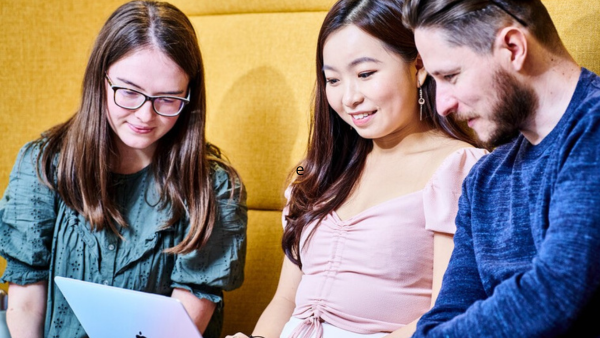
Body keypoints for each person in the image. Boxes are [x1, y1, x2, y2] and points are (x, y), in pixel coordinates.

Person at [226, 1, 488, 337]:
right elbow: (286, 300)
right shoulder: (318, 173)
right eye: (332, 80)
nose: (349, 97)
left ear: (419, 66)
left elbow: (447, 315)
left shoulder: (458, 168)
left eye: (365, 74)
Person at [0, 1, 247, 338]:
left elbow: (180, 327)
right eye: (128, 92)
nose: (145, 116)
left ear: (190, 95)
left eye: (168, 99)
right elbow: (26, 301)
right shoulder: (43, 165)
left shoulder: (214, 189)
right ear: (99, 80)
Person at [400, 0, 600, 337]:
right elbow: (444, 316)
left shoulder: (592, 130)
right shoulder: (483, 179)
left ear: (513, 47)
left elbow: (557, 291)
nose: (442, 105)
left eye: (450, 76)